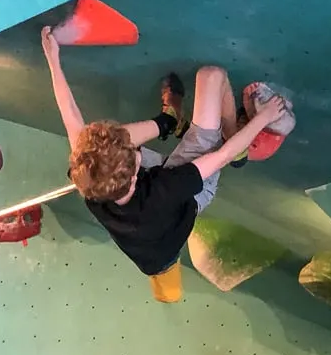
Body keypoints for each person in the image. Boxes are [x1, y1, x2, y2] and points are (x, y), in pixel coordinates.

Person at [41, 26, 287, 302]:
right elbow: (223, 157)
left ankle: (170, 121)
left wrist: (53, 60)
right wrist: (263, 119)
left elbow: (71, 118)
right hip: (189, 196)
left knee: (106, 143)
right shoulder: (167, 187)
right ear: (137, 172)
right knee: (212, 76)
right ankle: (215, 127)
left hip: (151, 257)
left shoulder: (92, 180)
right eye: (133, 153)